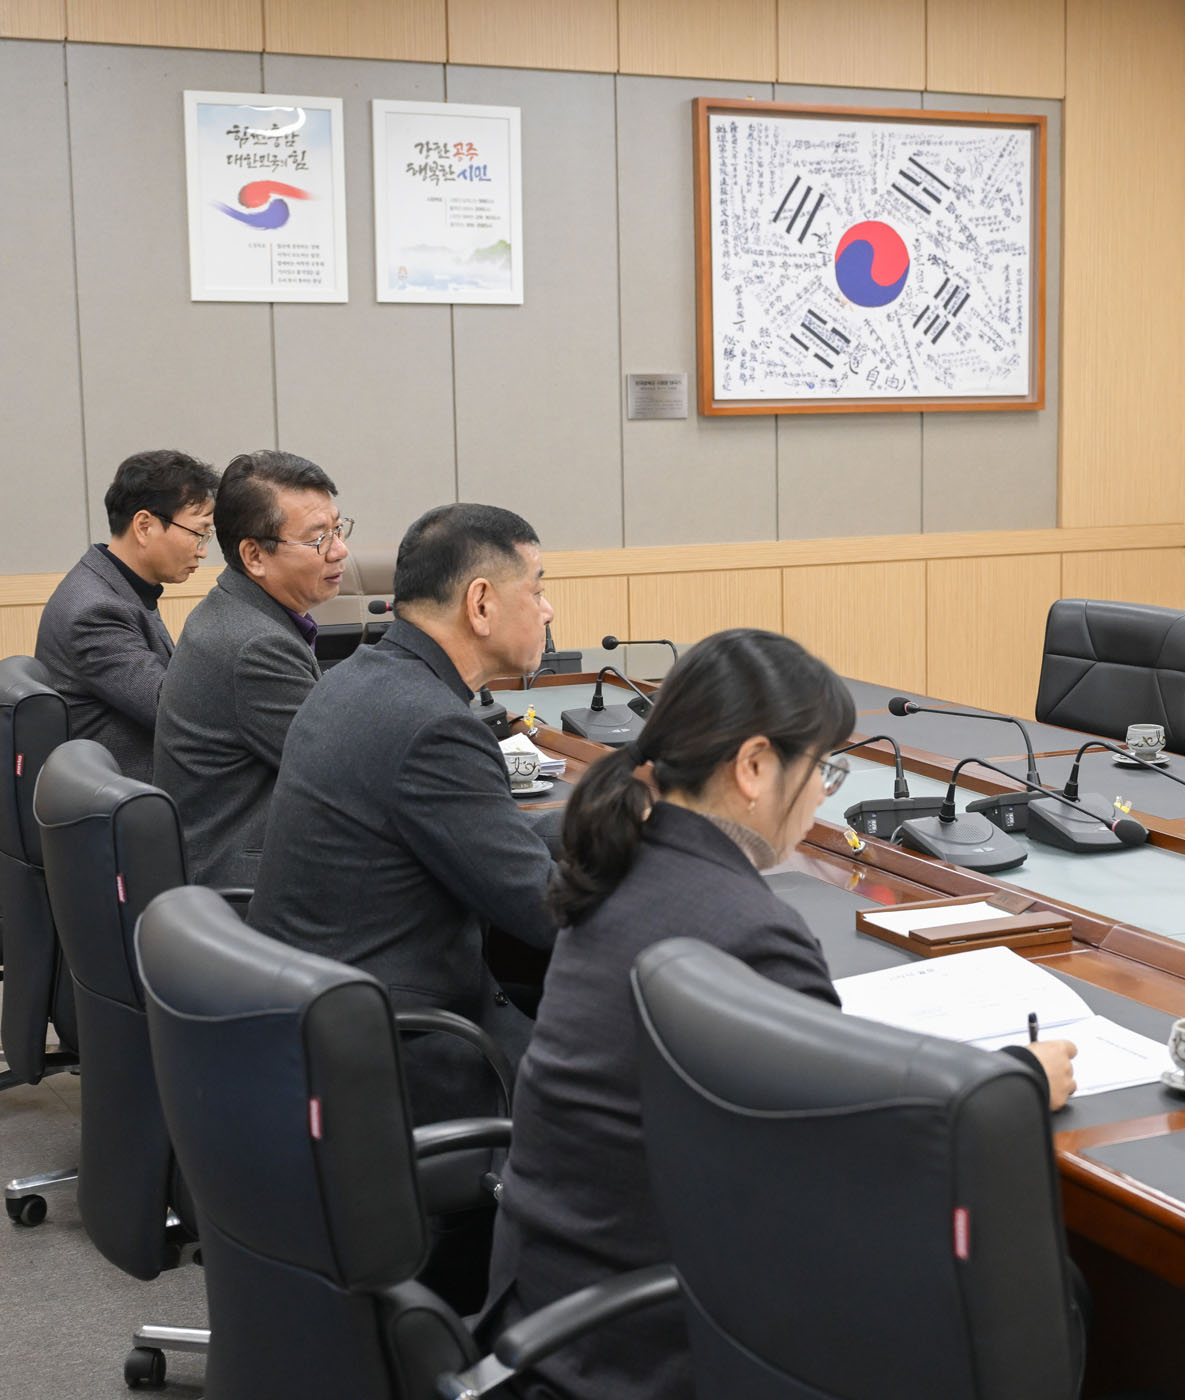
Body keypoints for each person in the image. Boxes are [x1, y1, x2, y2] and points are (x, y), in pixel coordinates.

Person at [482, 629, 1080, 1400]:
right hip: (653, 1348)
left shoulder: (621, 861)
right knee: (1045, 1291)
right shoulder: (750, 931)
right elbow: (847, 1179)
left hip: (552, 1307)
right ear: (755, 766)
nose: (824, 793)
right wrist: (1010, 1083)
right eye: (822, 767)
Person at [248, 502, 558, 1123]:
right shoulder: (433, 726)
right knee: (624, 1090)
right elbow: (546, 909)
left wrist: (602, 820)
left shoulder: (358, 678)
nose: (547, 610)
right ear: (480, 603)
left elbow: (477, 831)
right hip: (400, 1052)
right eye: (536, 589)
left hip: (322, 1020)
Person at [154, 451, 351, 888]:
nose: (340, 550)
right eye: (319, 539)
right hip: (243, 885)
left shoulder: (237, 609)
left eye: (338, 529)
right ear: (254, 555)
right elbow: (345, 771)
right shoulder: (256, 646)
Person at [36, 449, 219, 781]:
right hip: (130, 793)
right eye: (198, 533)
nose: (203, 551)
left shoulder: (116, 585)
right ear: (144, 526)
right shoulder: (94, 611)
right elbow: (174, 712)